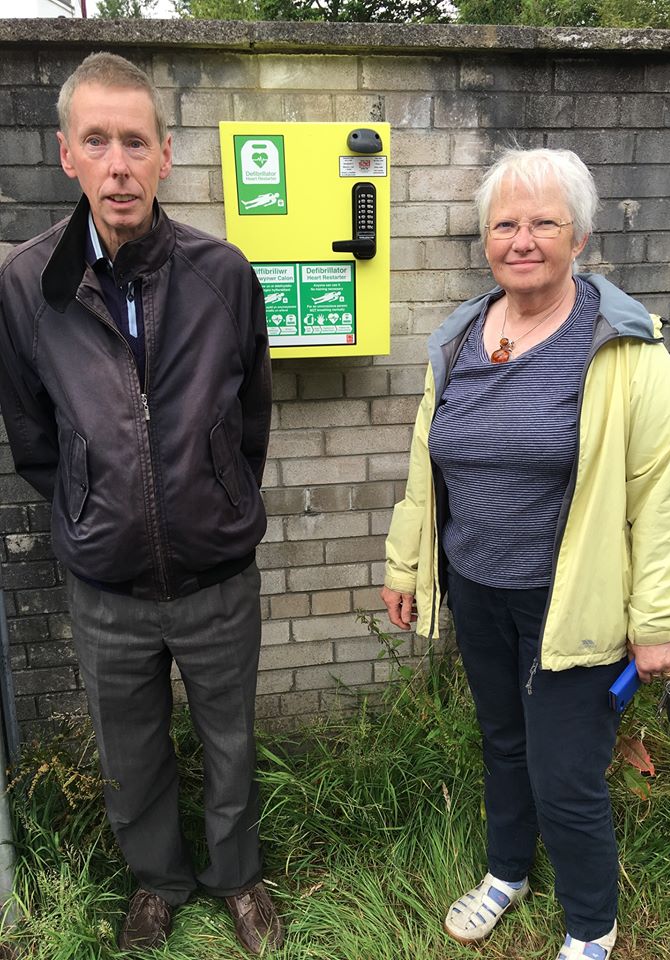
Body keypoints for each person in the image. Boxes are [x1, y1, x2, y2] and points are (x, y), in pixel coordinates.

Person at [381, 147, 670, 960]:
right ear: (486, 239)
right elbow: (428, 463)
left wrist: (659, 619)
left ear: (580, 238)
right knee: (503, 744)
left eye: (543, 223)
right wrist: (406, 565)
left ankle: (592, 925)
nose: (522, 239)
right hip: (478, 590)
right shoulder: (457, 338)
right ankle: (507, 874)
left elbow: (663, 495)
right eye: (505, 224)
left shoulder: (626, 350)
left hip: (575, 601)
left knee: (565, 774)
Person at [0, 53, 283, 955]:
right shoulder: (25, 286)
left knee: (229, 742)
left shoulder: (223, 275)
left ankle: (237, 878)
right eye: (97, 142)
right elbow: (33, 436)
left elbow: (251, 420)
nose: (117, 164)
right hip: (107, 586)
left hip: (215, 576)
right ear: (67, 155)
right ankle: (158, 881)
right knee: (132, 756)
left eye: (135, 141)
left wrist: (214, 496)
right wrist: (93, 507)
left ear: (165, 155)